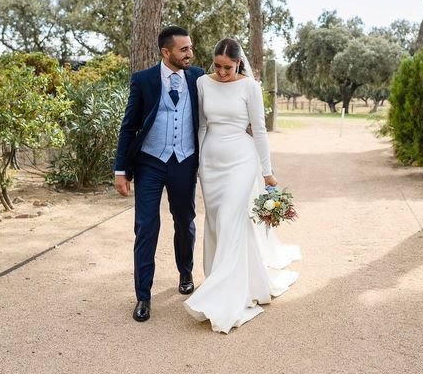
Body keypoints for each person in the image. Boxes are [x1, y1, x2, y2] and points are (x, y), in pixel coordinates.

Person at [184, 38, 301, 333]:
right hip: (211, 162)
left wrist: (267, 171)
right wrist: (198, 162)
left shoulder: (250, 87)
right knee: (214, 222)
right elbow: (200, 125)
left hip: (241, 161)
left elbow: (259, 130)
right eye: (217, 66)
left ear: (239, 63)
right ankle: (218, 279)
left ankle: (225, 295)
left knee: (231, 219)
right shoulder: (201, 83)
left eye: (228, 67)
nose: (222, 73)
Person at [113, 25, 205, 323]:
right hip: (150, 163)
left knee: (185, 221)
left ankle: (186, 271)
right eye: (184, 49)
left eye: (190, 48)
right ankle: (143, 296)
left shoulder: (199, 77)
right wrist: (121, 170)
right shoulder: (143, 80)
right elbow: (128, 126)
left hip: (185, 161)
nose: (190, 53)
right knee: (146, 228)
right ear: (166, 52)